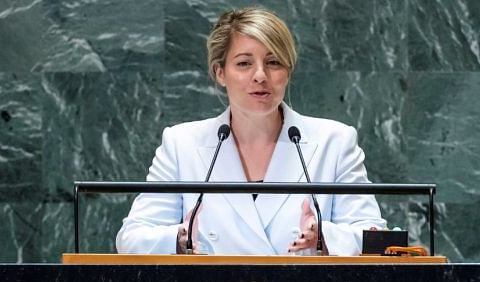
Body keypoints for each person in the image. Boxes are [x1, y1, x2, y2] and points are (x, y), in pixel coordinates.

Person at [116, 7, 386, 256]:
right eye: (244, 63)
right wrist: (179, 236)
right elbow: (131, 238)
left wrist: (325, 236)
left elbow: (376, 238)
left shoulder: (334, 142)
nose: (260, 75)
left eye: (274, 62)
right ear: (220, 72)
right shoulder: (181, 143)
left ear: (288, 73)